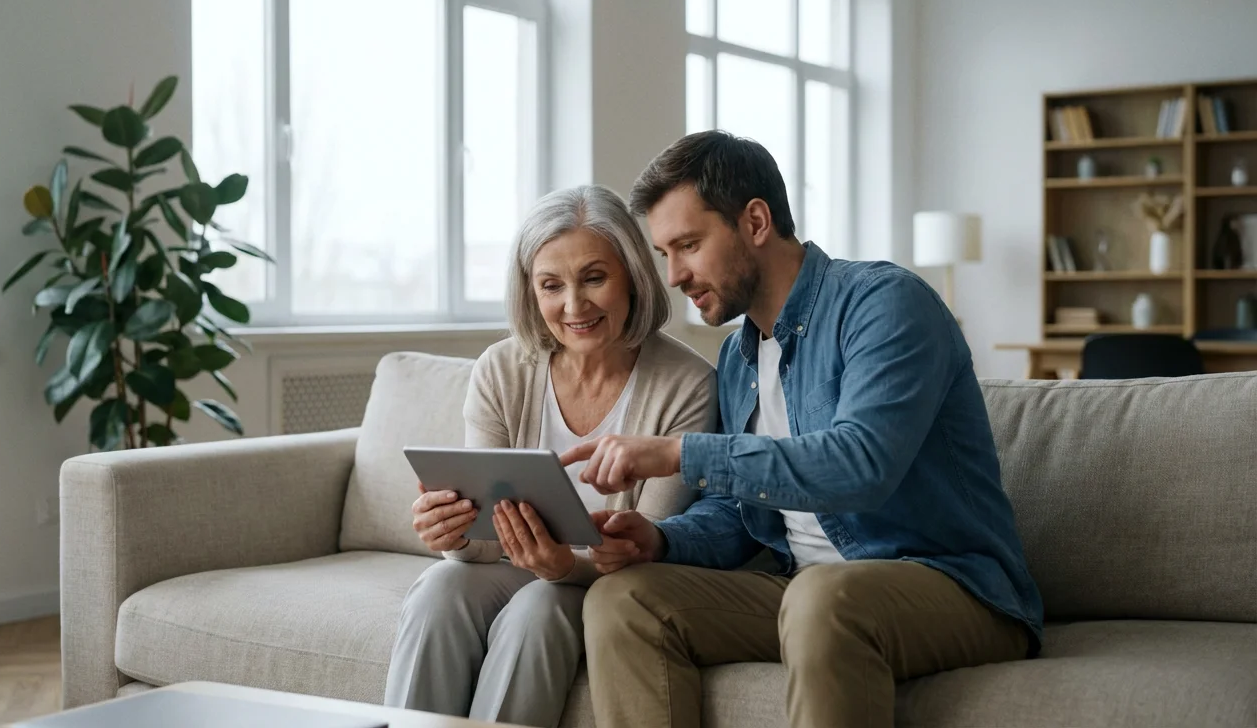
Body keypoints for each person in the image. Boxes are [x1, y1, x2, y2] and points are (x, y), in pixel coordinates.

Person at [562, 131, 1044, 728]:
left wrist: (681, 453)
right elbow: (738, 518)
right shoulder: (738, 361)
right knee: (623, 599)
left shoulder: (884, 305)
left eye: (688, 244)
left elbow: (859, 465)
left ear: (756, 221)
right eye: (664, 254)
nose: (674, 275)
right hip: (803, 590)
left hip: (952, 586)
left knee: (823, 601)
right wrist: (658, 542)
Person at [383, 184, 718, 728]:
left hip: (606, 583)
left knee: (540, 608)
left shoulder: (688, 386)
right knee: (439, 586)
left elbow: (655, 552)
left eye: (594, 278)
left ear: (632, 275)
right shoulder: (500, 369)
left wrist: (565, 568)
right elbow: (483, 545)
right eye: (551, 285)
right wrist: (456, 534)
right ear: (530, 293)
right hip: (515, 570)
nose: (573, 306)